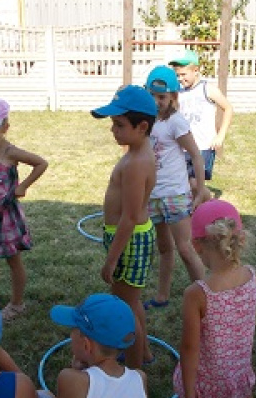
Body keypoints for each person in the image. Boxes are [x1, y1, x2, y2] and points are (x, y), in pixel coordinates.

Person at [172, 199, 256, 398]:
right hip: (238, 368)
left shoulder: (197, 293)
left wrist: (189, 388)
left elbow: (189, 347)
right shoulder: (251, 275)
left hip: (205, 375)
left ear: (197, 245)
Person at [91, 85, 158, 368]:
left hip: (129, 240)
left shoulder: (135, 163)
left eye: (119, 125)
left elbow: (129, 217)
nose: (113, 130)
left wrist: (111, 259)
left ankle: (134, 369)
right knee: (132, 301)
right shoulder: (139, 153)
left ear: (142, 127)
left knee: (125, 307)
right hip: (130, 238)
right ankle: (143, 353)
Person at [0, 98, 48, 322]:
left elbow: (41, 163)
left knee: (13, 260)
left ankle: (17, 304)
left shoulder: (10, 153)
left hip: (6, 217)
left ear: (5, 127)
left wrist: (23, 186)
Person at [142, 65, 206, 313]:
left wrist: (200, 190)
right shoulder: (146, 122)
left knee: (185, 248)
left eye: (162, 97)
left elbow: (196, 155)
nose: (157, 102)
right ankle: (162, 296)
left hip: (175, 196)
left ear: (173, 97)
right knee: (164, 248)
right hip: (153, 196)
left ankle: (208, 298)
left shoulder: (176, 122)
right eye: (152, 96)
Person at [169, 49, 234, 201]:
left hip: (203, 146)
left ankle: (208, 207)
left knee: (195, 184)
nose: (180, 78)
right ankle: (198, 208)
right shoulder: (178, 92)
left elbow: (228, 108)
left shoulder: (207, 89)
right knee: (186, 184)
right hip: (184, 146)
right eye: (177, 75)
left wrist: (220, 135)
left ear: (196, 70)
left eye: (183, 74)